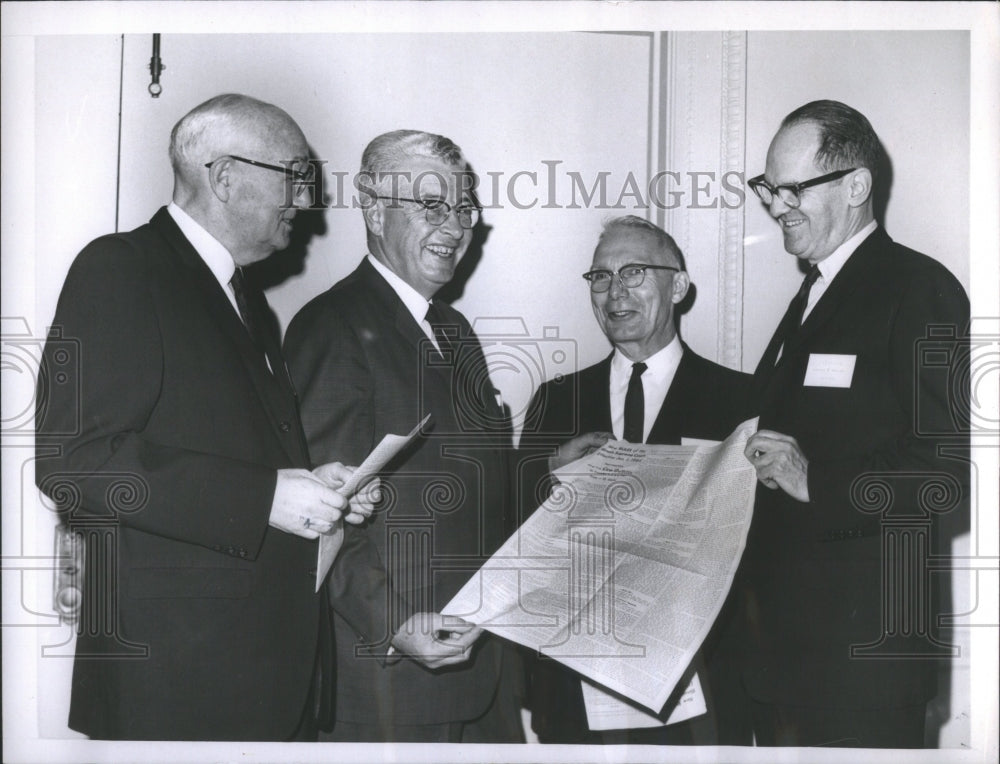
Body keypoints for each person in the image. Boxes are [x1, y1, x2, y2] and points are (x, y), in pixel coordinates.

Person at [33, 94, 375, 741]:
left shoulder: (250, 304)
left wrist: (310, 481)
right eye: (295, 176)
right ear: (225, 177)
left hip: (265, 679)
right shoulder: (120, 268)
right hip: (178, 688)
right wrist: (269, 495)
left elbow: (223, 453)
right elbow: (74, 462)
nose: (304, 202)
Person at [738, 99, 970, 747]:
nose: (777, 204)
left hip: (862, 669)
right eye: (768, 189)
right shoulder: (811, 294)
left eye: (792, 189)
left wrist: (818, 480)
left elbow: (948, 473)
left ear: (856, 186)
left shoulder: (919, 289)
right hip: (785, 660)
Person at [283, 130, 523, 743]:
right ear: (373, 209)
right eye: (431, 206)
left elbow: (478, 487)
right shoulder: (330, 326)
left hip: (483, 672)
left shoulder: (456, 329)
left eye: (464, 209)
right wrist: (392, 624)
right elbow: (319, 516)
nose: (457, 227)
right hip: (393, 686)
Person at [518, 215, 755, 745]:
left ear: (678, 285)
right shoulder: (556, 400)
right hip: (575, 687)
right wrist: (547, 471)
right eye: (600, 277)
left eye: (634, 272)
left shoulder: (742, 401)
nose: (614, 291)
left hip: (700, 687)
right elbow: (510, 531)